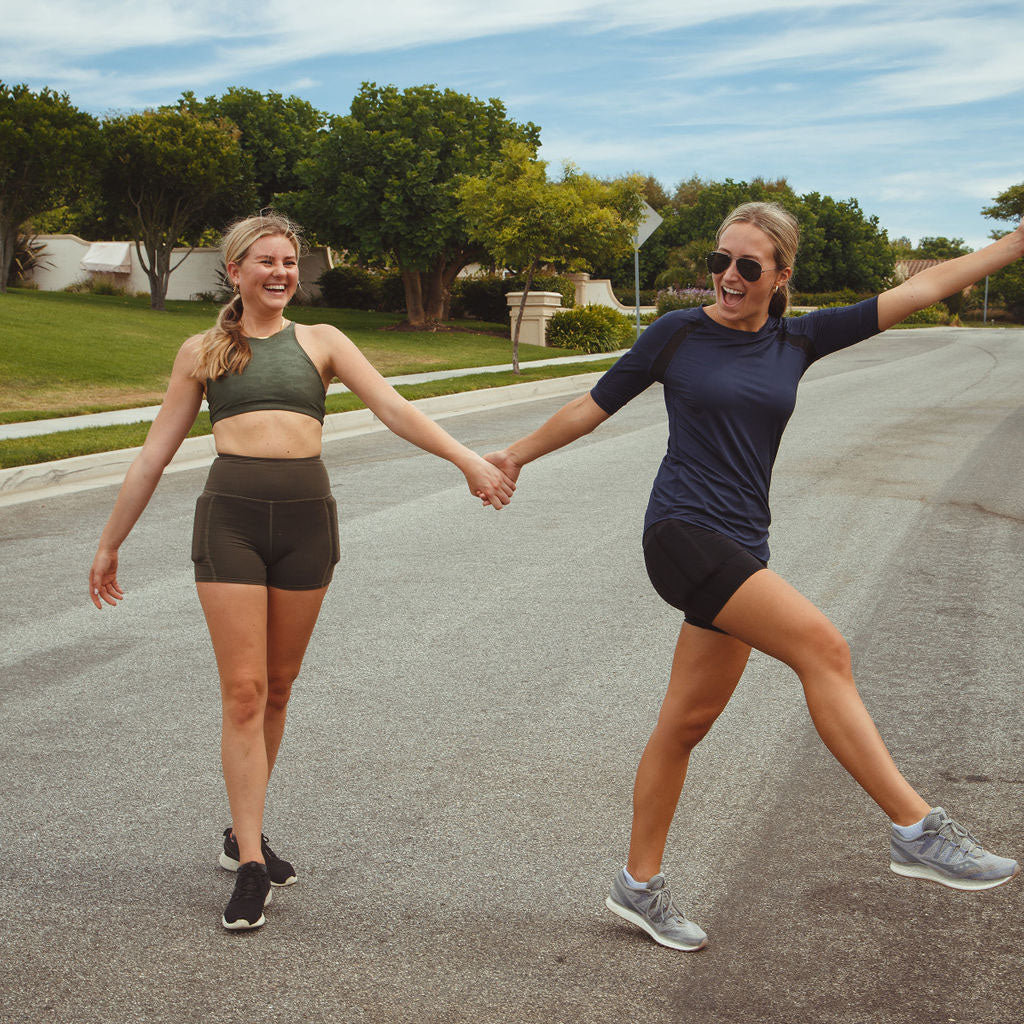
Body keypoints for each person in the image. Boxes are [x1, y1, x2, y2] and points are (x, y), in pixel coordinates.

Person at [485, 202, 1022, 951]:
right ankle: (916, 830)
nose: (728, 278)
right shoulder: (678, 333)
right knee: (823, 648)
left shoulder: (799, 338)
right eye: (720, 261)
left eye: (747, 266)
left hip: (743, 545)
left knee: (685, 725)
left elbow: (925, 290)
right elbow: (592, 406)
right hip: (681, 534)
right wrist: (514, 455)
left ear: (780, 277)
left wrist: (1017, 240)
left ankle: (637, 886)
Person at [89, 212, 515, 932]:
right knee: (245, 690)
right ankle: (251, 864)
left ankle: (239, 829)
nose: (281, 272)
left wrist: (468, 461)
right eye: (266, 261)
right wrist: (109, 542)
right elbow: (153, 454)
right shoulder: (204, 350)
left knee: (279, 688)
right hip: (230, 523)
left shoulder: (322, 343)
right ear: (235, 270)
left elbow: (393, 408)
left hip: (308, 526)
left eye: (289, 261)